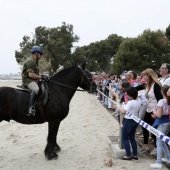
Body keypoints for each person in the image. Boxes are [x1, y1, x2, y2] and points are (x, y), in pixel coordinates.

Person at [140, 68, 163, 154]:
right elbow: (139, 87)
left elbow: (160, 99)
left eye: (145, 75)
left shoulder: (156, 85)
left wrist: (157, 111)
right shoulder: (147, 84)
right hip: (148, 109)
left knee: (154, 130)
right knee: (144, 126)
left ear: (149, 75)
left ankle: (157, 148)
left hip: (155, 110)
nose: (143, 77)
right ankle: (145, 145)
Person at [22, 46, 49, 116]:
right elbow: (31, 75)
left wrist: (42, 76)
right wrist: (41, 77)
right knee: (36, 89)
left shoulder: (35, 61)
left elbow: (35, 74)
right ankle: (30, 108)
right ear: (36, 54)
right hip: (28, 80)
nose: (41, 56)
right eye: (40, 54)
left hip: (33, 80)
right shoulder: (30, 61)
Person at [116, 86, 141, 160]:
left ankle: (128, 155)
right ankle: (135, 154)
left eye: (127, 94)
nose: (126, 95)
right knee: (132, 137)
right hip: (135, 119)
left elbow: (123, 111)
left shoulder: (131, 102)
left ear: (131, 94)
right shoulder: (138, 99)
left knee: (125, 138)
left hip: (129, 120)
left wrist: (118, 106)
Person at [150, 85, 170, 169]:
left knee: (159, 142)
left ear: (162, 92)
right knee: (163, 140)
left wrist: (154, 111)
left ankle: (158, 163)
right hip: (168, 121)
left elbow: (159, 115)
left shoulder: (161, 101)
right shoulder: (168, 101)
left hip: (162, 122)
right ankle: (168, 157)